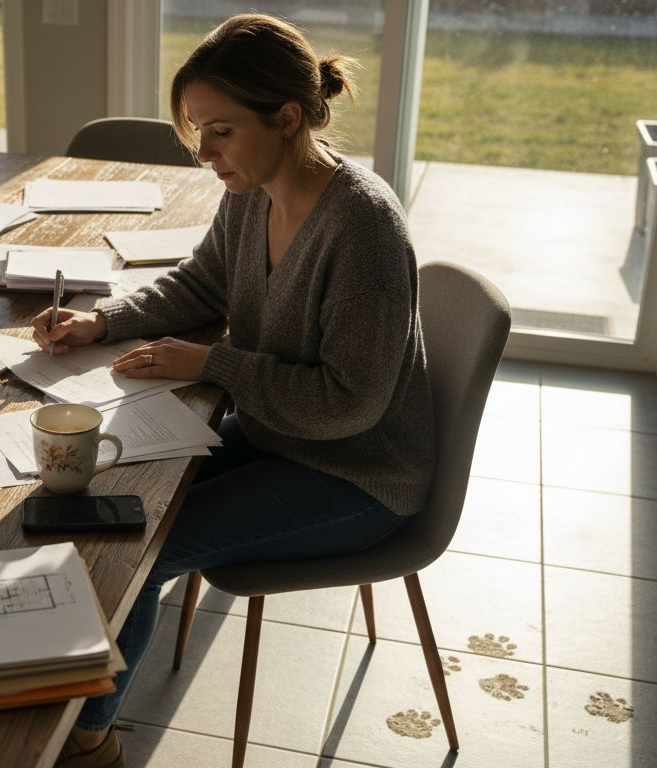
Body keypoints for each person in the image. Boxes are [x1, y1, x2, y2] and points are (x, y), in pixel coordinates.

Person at [33, 14, 436, 768]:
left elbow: (349, 403)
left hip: (359, 472)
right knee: (114, 494)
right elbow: (206, 281)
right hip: (283, 434)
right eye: (193, 131)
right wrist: (104, 321)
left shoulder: (365, 229)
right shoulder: (252, 188)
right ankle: (46, 685)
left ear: (287, 119)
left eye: (219, 131)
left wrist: (214, 365)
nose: (203, 152)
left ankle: (88, 745)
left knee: (149, 545)